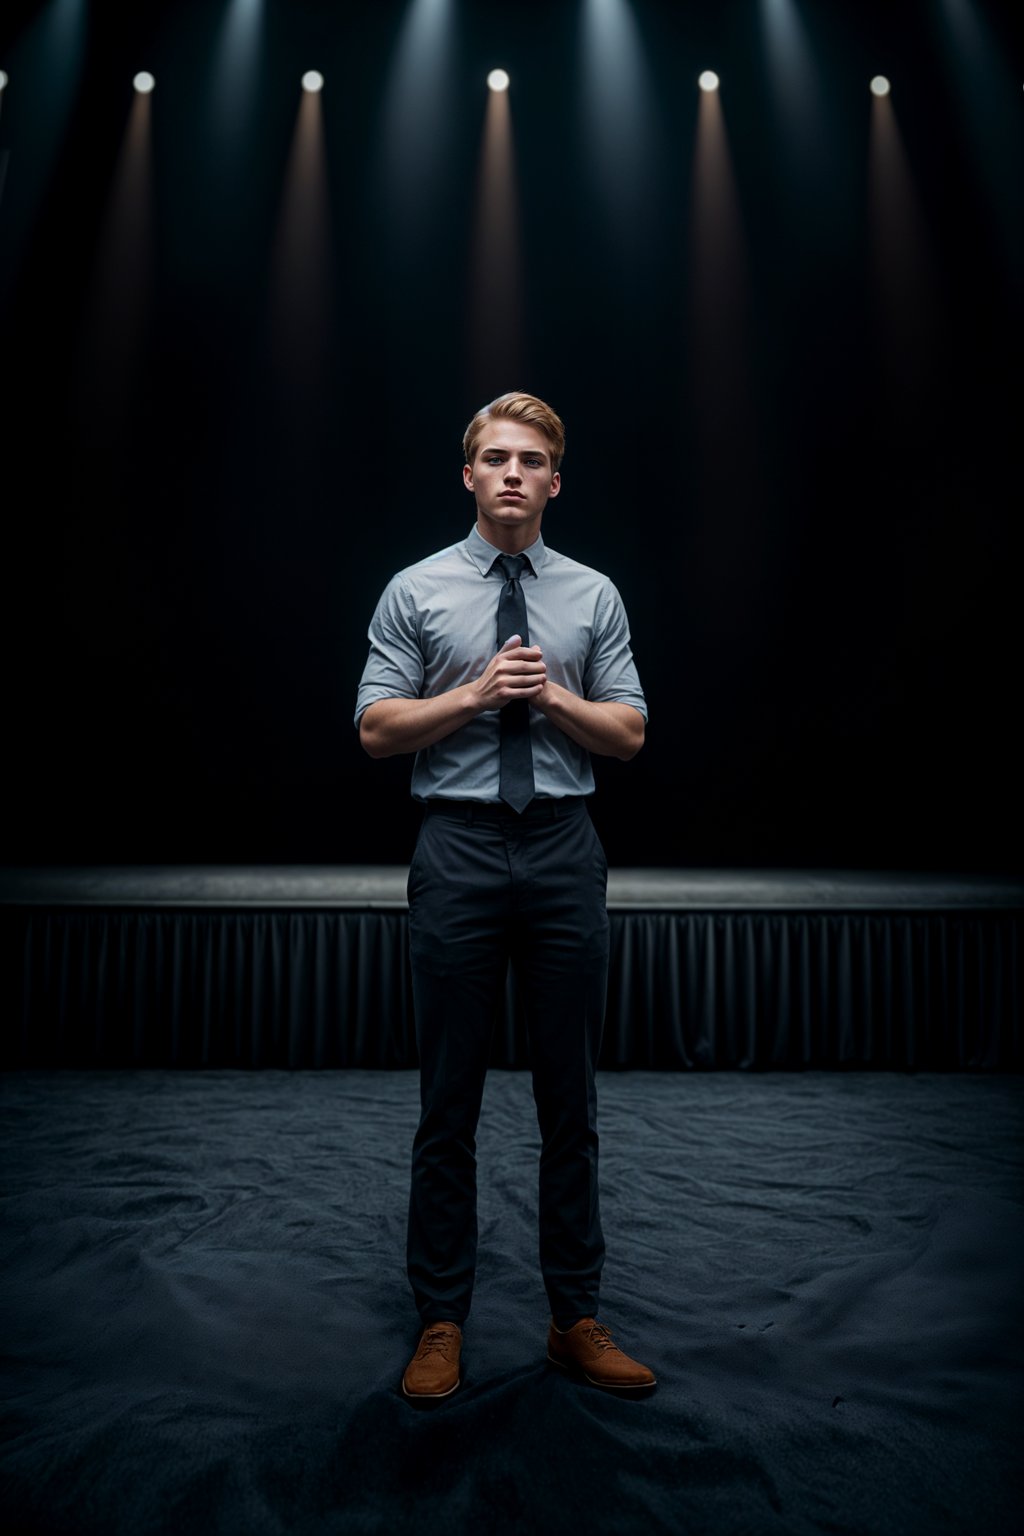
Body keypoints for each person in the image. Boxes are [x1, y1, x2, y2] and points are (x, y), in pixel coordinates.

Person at [355, 391, 655, 1399]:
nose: (514, 472)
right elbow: (375, 729)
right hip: (459, 849)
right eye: (496, 457)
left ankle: (575, 1317)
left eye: (532, 458)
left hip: (565, 849)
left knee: (568, 1102)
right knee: (450, 1103)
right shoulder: (416, 590)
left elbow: (629, 735)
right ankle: (441, 1320)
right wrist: (476, 696)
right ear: (470, 475)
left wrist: (553, 697)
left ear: (554, 481)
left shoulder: (593, 595)